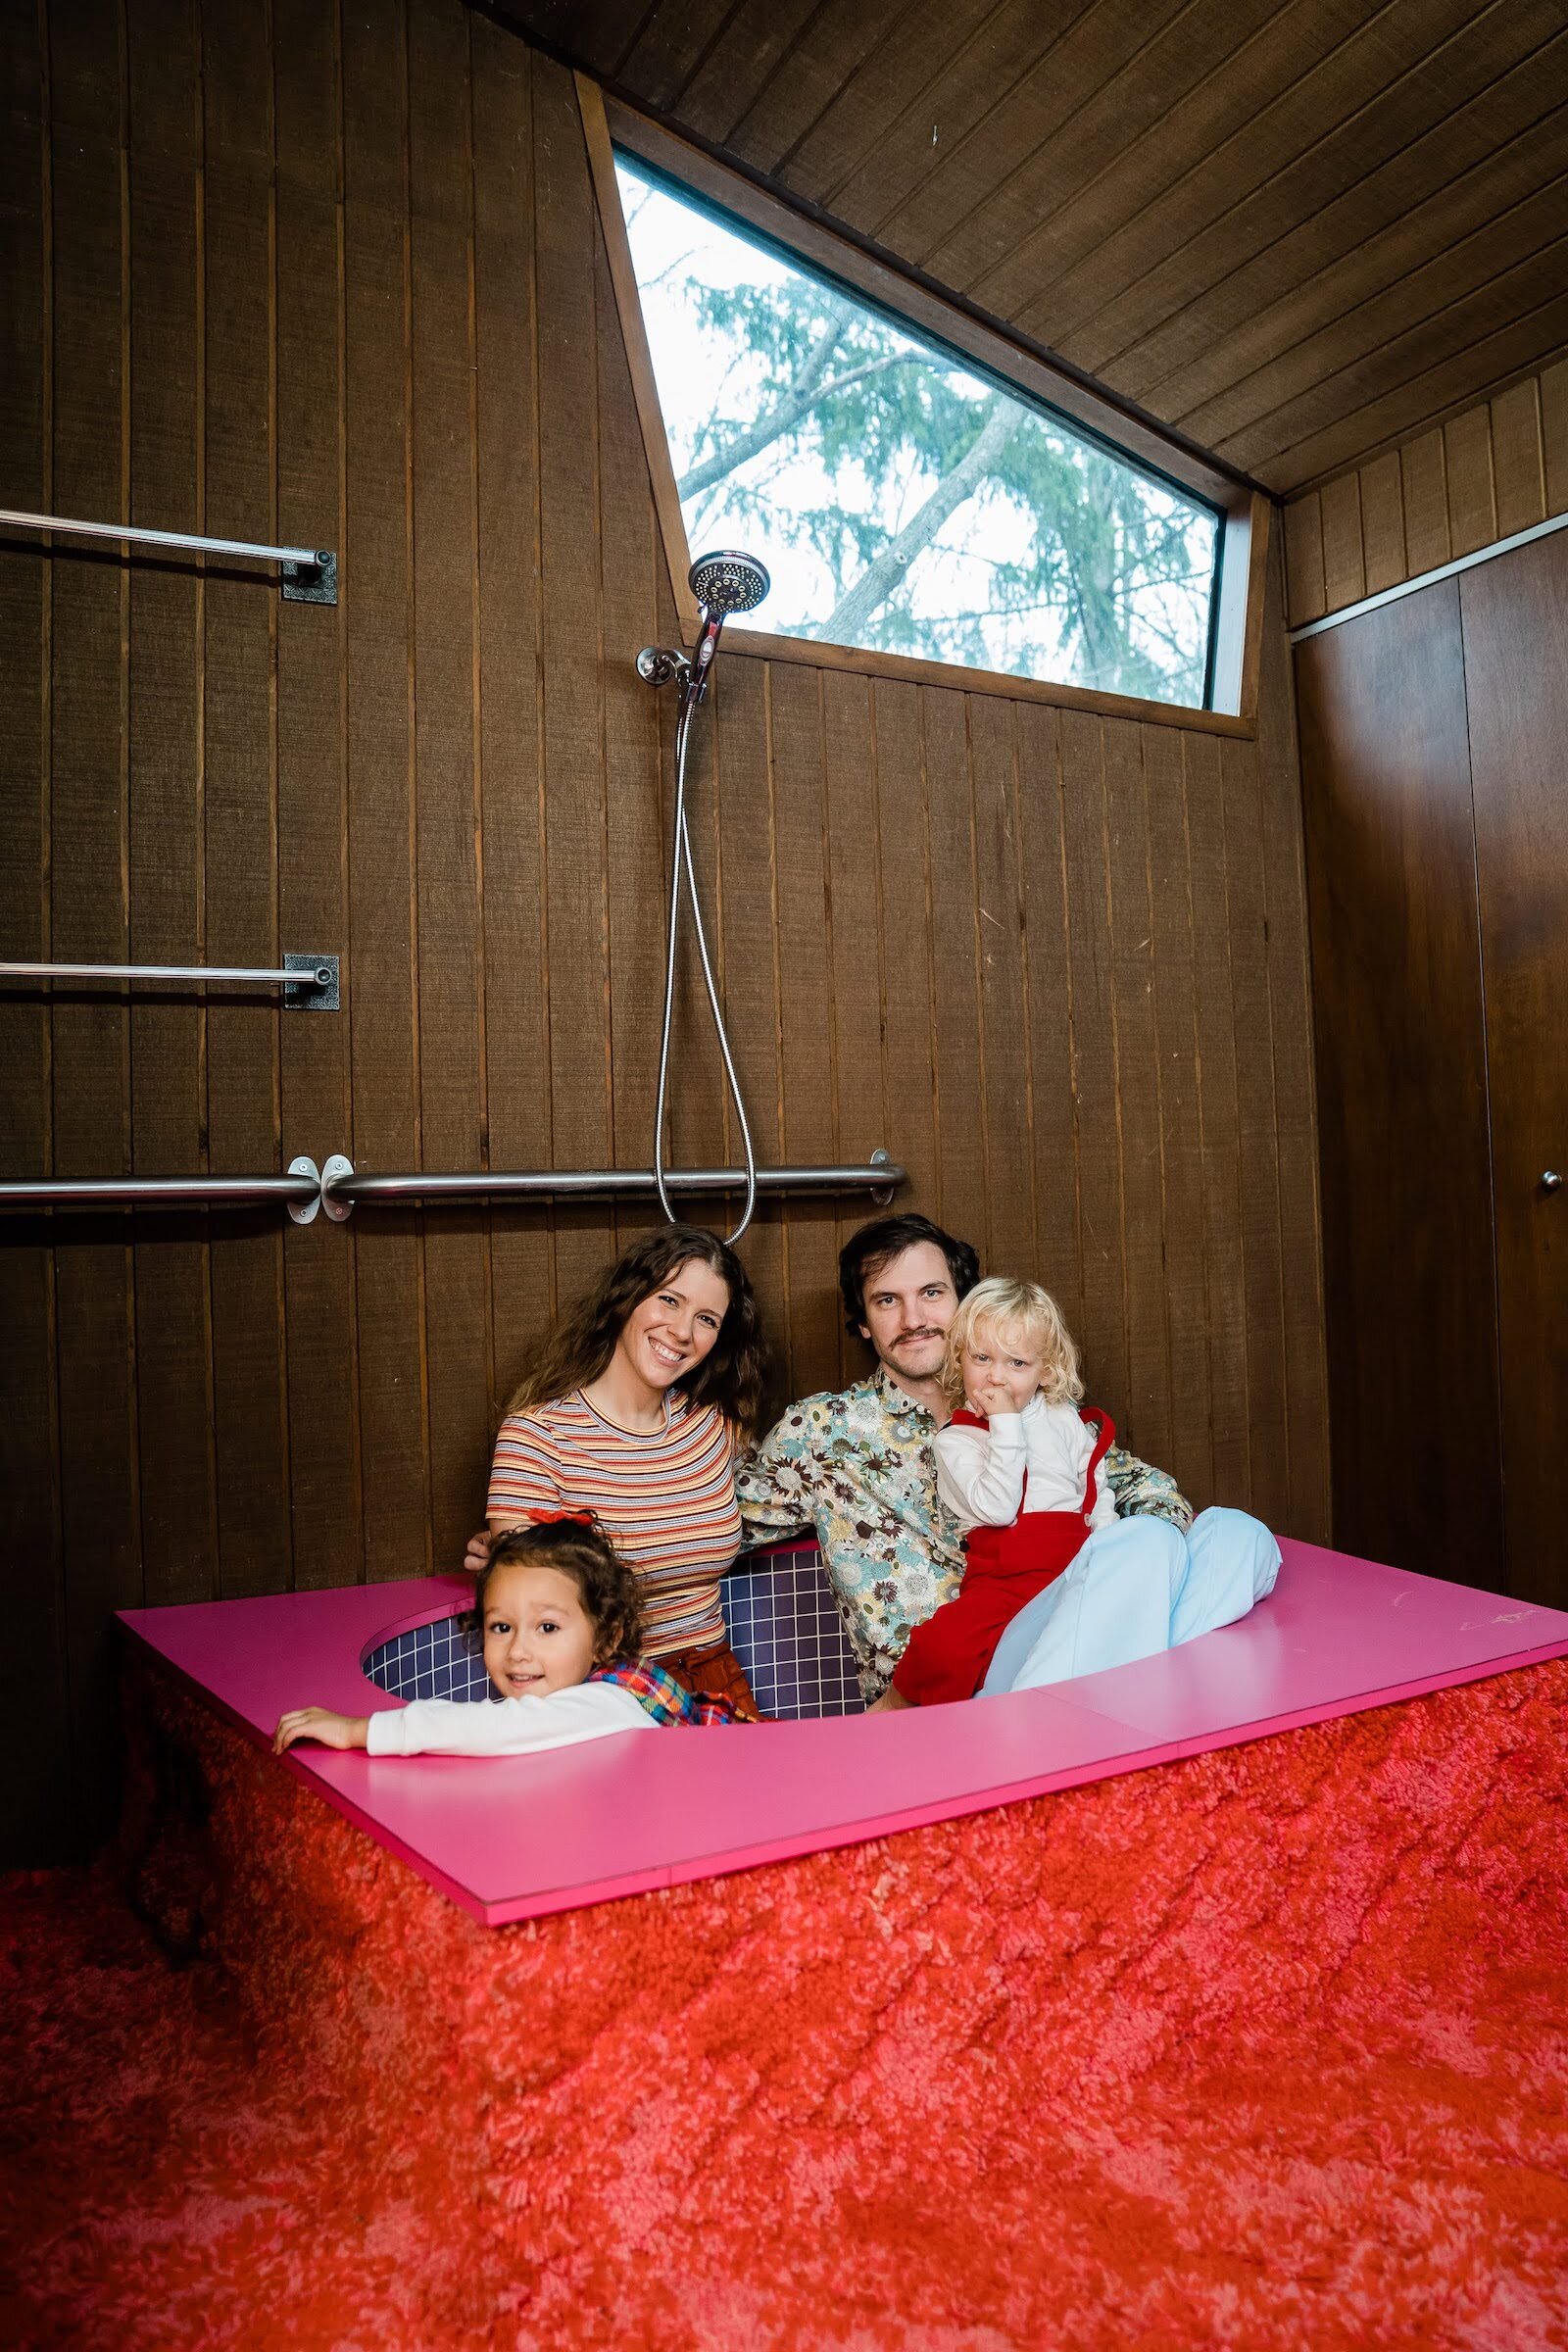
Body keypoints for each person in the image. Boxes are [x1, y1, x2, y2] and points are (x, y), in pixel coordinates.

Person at [736, 1214, 1194, 1701]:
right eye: (887, 1300)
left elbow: (1149, 1491)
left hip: (1064, 1653)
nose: (914, 1320)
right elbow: (714, 1527)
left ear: (965, 1304)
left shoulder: (1034, 1404)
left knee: (1226, 1537)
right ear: (864, 1323)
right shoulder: (823, 1431)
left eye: (932, 1293)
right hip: (929, 1701)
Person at [465, 1226, 766, 1717]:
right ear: (627, 1298)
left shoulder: (714, 1427)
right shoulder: (538, 1435)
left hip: (715, 1674)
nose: (683, 1332)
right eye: (669, 1300)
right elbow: (525, 1596)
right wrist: (501, 1549)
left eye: (706, 1319)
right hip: (600, 1692)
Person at [273, 1516, 745, 1760]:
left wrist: (360, 1730)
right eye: (502, 1627)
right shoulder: (577, 1691)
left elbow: (497, 1728)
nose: (519, 1651)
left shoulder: (607, 1704)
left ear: (605, 1640)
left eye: (547, 1628)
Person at [873, 1277, 1118, 1709]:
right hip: (1004, 1579)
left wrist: (1106, 1540)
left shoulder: (1064, 1419)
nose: (996, 1377)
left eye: (1017, 1363)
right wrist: (1006, 1424)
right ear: (959, 1360)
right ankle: (897, 1707)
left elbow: (1093, 1484)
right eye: (982, 1358)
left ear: (1047, 1369)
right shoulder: (957, 1440)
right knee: (942, 1645)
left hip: (1075, 1563)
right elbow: (999, 1509)